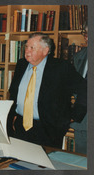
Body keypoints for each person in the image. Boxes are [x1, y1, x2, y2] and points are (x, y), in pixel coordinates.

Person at [7, 32, 87, 148]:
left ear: (45, 51)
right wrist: (13, 115)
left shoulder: (61, 67)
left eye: (32, 48)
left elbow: (85, 88)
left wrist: (75, 115)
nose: (27, 51)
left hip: (49, 129)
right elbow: (14, 93)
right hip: (20, 126)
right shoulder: (21, 64)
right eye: (27, 47)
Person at [70, 22, 88, 154]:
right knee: (82, 162)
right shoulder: (78, 57)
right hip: (82, 122)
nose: (86, 37)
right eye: (85, 33)